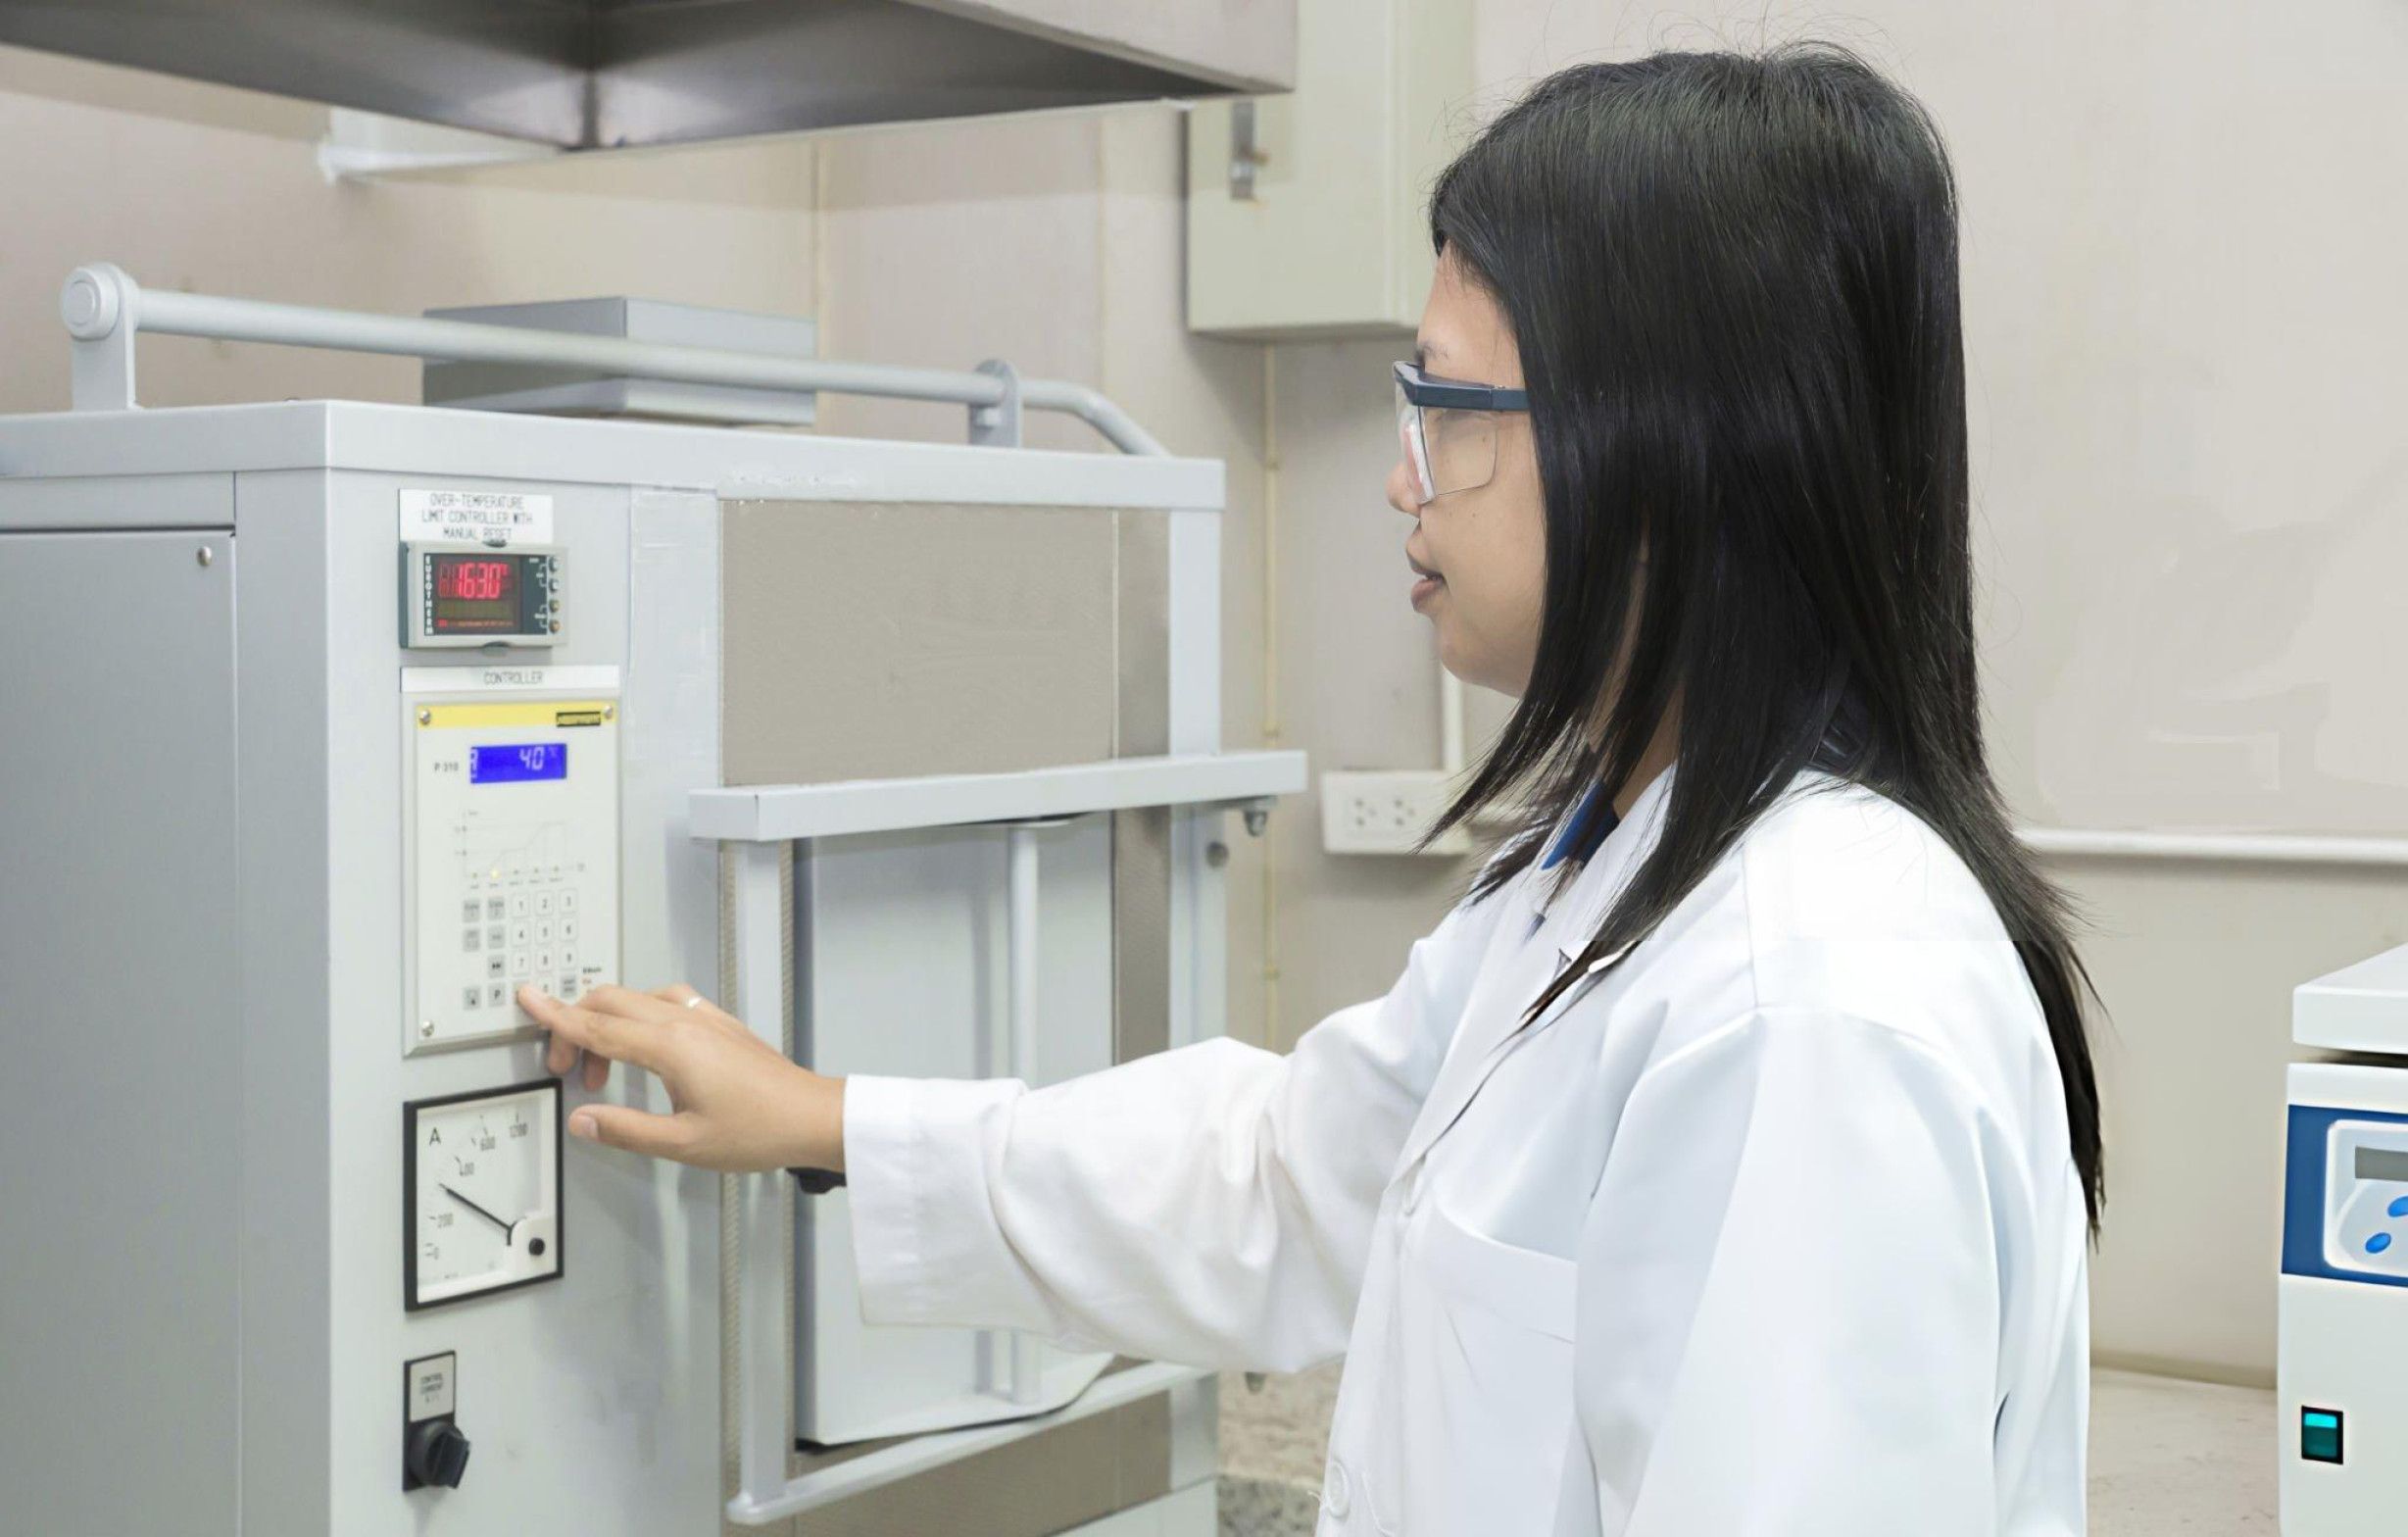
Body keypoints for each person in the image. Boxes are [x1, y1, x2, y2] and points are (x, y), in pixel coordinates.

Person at [521, 44, 2100, 1535]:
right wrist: (831, 1123)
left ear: (1675, 445)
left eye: (1447, 408)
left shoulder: (1801, 1009)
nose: (1404, 477)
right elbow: (1288, 1173)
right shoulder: (1610, 877)